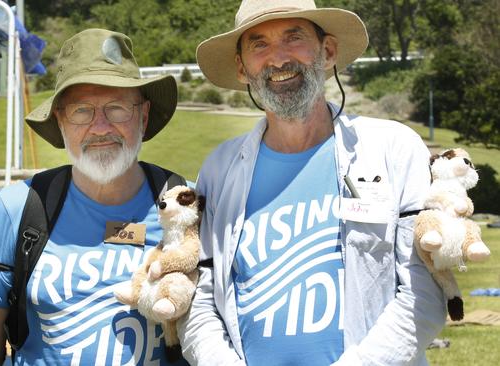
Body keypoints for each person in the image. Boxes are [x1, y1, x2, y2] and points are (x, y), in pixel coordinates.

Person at [178, 1, 446, 365]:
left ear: (329, 51)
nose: (278, 59)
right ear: (242, 68)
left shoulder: (393, 148)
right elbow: (202, 299)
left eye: (294, 38)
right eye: (259, 44)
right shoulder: (219, 170)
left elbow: (424, 292)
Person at [0, 28, 189, 365]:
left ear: (142, 116)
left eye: (117, 108)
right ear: (60, 121)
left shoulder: (181, 206)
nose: (100, 127)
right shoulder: (20, 207)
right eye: (81, 111)